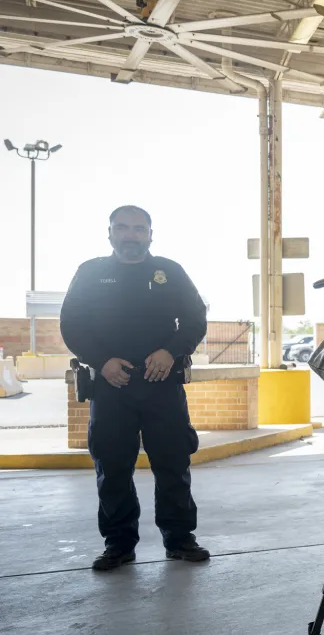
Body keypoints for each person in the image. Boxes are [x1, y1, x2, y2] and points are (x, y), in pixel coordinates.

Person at [60, 205, 211, 571]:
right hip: (111, 387)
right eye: (123, 228)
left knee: (173, 463)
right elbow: (71, 325)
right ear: (110, 232)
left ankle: (179, 539)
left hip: (163, 385)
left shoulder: (169, 272)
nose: (131, 235)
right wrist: (102, 361)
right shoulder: (91, 272)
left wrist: (171, 352)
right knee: (112, 467)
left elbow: (195, 320)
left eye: (139, 229)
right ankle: (118, 544)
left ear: (150, 235)